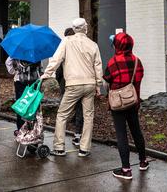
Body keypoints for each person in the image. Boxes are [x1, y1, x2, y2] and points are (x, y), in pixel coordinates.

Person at [41, 18, 103, 157]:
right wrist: (98, 84)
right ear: (85, 28)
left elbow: (56, 59)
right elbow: (98, 66)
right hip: (89, 84)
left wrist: (46, 74)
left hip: (73, 84)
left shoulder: (67, 41)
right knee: (88, 116)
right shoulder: (93, 44)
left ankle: (59, 147)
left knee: (62, 114)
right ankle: (84, 149)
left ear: (74, 29)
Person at [103, 32, 148, 180]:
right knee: (136, 131)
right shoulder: (137, 61)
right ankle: (143, 161)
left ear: (117, 45)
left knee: (121, 135)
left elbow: (107, 81)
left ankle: (126, 169)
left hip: (117, 104)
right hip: (132, 102)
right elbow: (138, 81)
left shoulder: (112, 62)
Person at [55, 27, 84, 146]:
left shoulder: (65, 49)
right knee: (80, 110)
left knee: (62, 113)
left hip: (67, 85)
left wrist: (59, 81)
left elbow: (59, 71)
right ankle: (78, 136)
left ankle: (59, 143)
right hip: (81, 84)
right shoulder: (82, 48)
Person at [6, 56, 42, 134]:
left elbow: (9, 66)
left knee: (21, 106)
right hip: (34, 82)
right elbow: (41, 69)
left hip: (20, 82)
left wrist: (16, 71)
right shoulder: (36, 52)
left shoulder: (17, 52)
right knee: (33, 106)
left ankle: (21, 130)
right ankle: (33, 130)